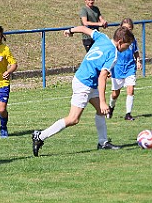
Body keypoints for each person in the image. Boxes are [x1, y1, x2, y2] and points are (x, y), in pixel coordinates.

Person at [32, 25, 135, 157]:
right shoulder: (114, 54)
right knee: (73, 119)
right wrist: (103, 101)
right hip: (84, 84)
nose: (128, 48)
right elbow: (102, 77)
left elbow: (85, 29)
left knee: (100, 111)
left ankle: (102, 142)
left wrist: (70, 31)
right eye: (128, 45)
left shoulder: (103, 38)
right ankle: (40, 136)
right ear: (120, 42)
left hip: (86, 81)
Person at [107, 18, 142, 121]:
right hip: (117, 69)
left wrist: (138, 61)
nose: (128, 30)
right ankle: (111, 107)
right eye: (126, 28)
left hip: (130, 67)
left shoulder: (132, 39)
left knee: (130, 89)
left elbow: (135, 51)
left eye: (130, 29)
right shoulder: (116, 42)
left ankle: (128, 114)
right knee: (115, 93)